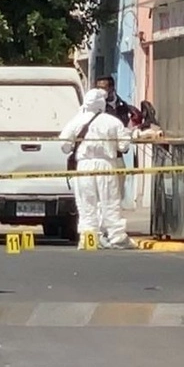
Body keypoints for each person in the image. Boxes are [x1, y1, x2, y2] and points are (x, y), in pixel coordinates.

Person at [59, 88, 134, 250]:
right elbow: (124, 146)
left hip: (83, 166)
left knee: (86, 203)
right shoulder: (112, 121)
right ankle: (117, 237)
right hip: (106, 164)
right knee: (110, 202)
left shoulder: (76, 121)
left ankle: (89, 237)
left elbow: (64, 146)